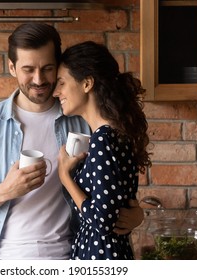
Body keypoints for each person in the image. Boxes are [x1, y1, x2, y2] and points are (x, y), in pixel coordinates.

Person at [0, 23, 143, 260]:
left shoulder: (82, 122)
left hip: (70, 257)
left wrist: (136, 215)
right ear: (12, 68)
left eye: (48, 68)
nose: (39, 79)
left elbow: (110, 189)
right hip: (1, 259)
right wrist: (5, 191)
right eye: (28, 69)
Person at [53, 41, 151, 260]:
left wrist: (65, 177)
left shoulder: (103, 138)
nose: (56, 92)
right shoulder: (113, 134)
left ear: (87, 83)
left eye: (62, 83)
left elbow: (101, 221)